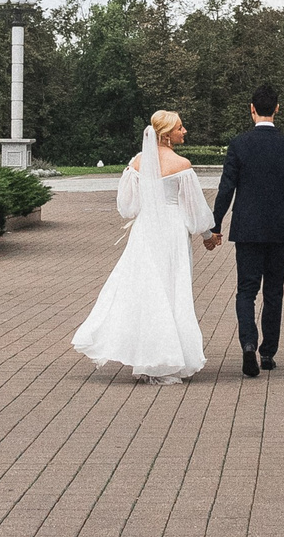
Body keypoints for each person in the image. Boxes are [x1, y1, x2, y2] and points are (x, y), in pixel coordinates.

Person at [71, 109, 214, 383]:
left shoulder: (137, 164)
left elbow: (128, 207)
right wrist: (208, 234)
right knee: (172, 289)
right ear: (166, 134)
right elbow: (194, 209)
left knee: (146, 288)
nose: (184, 131)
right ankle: (165, 356)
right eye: (180, 127)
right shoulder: (182, 165)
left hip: (146, 230)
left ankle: (148, 352)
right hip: (172, 231)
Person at [203, 83, 284, 378]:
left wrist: (215, 225)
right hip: (280, 230)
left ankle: (248, 343)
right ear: (277, 108)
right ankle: (267, 353)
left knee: (246, 290)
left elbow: (226, 188)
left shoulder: (239, 145)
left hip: (247, 230)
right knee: (274, 291)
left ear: (251, 109)